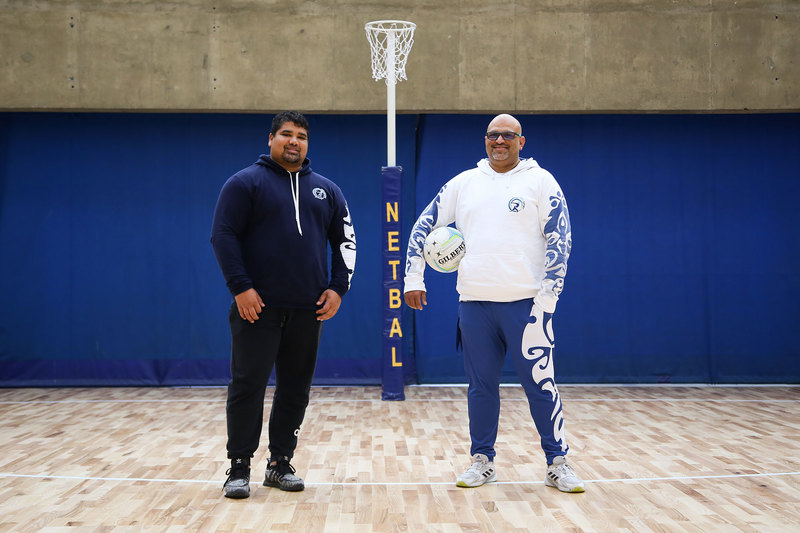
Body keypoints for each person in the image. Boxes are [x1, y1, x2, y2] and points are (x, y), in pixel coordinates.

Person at [403, 114, 584, 493]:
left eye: (507, 135)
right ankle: (482, 461)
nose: (499, 141)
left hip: (526, 306)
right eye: (492, 135)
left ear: (522, 141)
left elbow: (560, 240)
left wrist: (548, 298)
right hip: (474, 304)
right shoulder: (464, 183)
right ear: (485, 140)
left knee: (540, 385)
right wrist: (414, 277)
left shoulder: (541, 181)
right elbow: (424, 226)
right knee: (480, 387)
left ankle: (557, 462)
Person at [211, 111, 356, 499]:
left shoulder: (327, 189)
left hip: (309, 309)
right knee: (248, 385)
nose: (294, 141)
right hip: (257, 307)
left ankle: (280, 463)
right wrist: (240, 287)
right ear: (271, 139)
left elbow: (345, 242)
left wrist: (338, 288)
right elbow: (222, 236)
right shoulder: (245, 183)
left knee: (295, 388)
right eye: (287, 134)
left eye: (302, 136)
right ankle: (238, 467)